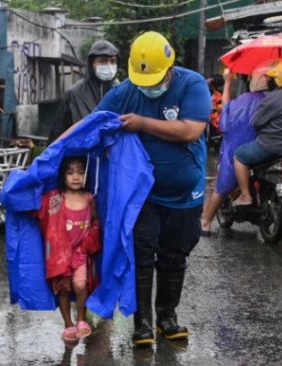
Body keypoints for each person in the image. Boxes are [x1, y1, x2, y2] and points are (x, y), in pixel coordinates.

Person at [94, 31, 211, 346]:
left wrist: (142, 123)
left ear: (170, 67)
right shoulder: (126, 91)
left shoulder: (192, 84)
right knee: (141, 254)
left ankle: (167, 318)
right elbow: (94, 124)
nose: (149, 87)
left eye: (155, 80)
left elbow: (190, 130)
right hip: (142, 197)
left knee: (175, 255)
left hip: (186, 196)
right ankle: (142, 324)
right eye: (143, 81)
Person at [36, 156, 101, 342]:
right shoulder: (55, 199)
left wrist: (84, 248)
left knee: (81, 285)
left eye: (81, 173)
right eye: (70, 172)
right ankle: (68, 324)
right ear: (62, 175)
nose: (76, 177)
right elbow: (35, 208)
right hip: (59, 256)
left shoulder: (89, 198)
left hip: (80, 254)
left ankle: (81, 319)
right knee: (63, 290)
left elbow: (95, 223)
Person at [200, 66, 269, 235]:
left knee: (221, 187)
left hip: (238, 148)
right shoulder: (275, 99)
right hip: (269, 149)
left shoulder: (243, 102)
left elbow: (224, 121)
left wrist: (228, 82)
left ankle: (205, 222)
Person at [232, 58, 282, 206]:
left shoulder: (273, 98)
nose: (269, 81)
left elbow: (255, 123)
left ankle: (245, 195)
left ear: (280, 79)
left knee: (239, 155)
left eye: (271, 78)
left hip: (269, 147)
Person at [48, 39, 119, 144]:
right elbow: (59, 133)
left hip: (113, 157)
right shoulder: (74, 94)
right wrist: (70, 159)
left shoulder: (121, 92)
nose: (108, 65)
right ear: (91, 64)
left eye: (112, 61)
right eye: (102, 61)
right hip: (82, 157)